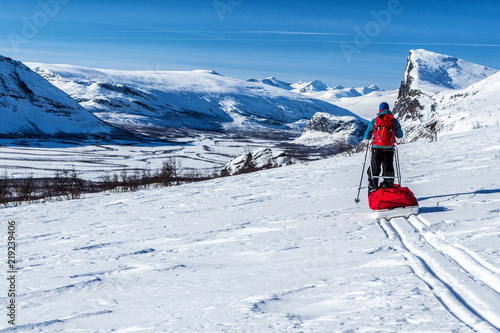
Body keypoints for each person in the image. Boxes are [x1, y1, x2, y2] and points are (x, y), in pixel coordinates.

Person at [364, 102, 403, 194]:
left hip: (376, 149)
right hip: (389, 149)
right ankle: (388, 192)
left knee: (374, 170)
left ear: (380, 110)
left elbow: (367, 136)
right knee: (388, 170)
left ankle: (373, 192)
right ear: (389, 109)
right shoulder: (394, 121)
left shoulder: (375, 120)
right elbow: (400, 135)